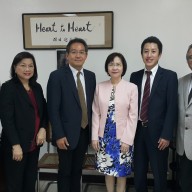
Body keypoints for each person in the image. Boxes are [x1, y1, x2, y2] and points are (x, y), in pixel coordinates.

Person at [47, 38, 96, 192]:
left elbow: (91, 106)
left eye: (81, 52)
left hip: (83, 131)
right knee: (65, 172)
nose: (78, 55)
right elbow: (52, 109)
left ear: (86, 56)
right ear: (67, 55)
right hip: (65, 135)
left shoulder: (90, 76)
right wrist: (59, 135)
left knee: (77, 171)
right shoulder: (57, 76)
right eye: (74, 52)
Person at [130, 36, 178, 192]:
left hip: (159, 135)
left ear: (159, 54)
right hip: (137, 132)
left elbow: (172, 107)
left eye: (153, 51)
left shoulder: (170, 76)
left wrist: (167, 135)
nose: (149, 55)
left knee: (159, 175)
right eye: (146, 51)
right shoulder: (134, 76)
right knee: (138, 174)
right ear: (141, 54)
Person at [0, 51, 48, 192]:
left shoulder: (36, 87)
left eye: (31, 66)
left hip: (33, 144)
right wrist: (15, 145)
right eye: (23, 65)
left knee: (29, 181)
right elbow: (6, 119)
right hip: (16, 146)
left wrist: (43, 129)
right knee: (15, 184)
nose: (27, 69)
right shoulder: (8, 88)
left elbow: (44, 111)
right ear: (15, 67)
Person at [92, 52, 138, 192]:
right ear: (107, 68)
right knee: (108, 171)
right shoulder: (100, 87)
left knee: (121, 173)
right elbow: (95, 113)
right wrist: (94, 136)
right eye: (111, 64)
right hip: (104, 137)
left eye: (118, 64)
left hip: (123, 138)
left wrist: (127, 140)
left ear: (123, 67)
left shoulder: (131, 87)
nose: (114, 67)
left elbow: (133, 116)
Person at [176, 44, 192, 192]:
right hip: (184, 145)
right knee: (185, 184)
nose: (191, 60)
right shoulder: (181, 81)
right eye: (189, 57)